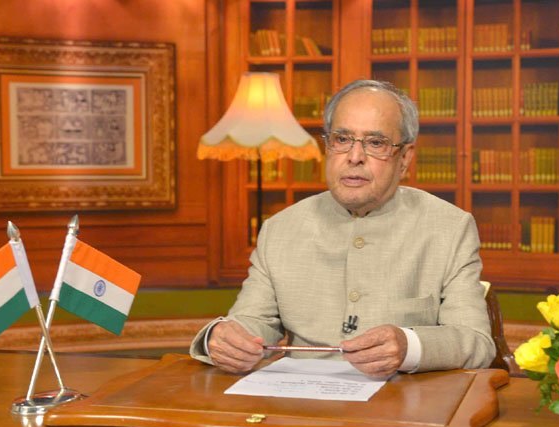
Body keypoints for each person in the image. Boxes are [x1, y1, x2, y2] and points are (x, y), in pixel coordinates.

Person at [190, 79, 495, 377]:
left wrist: (409, 346)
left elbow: (476, 342)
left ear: (404, 159)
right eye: (342, 139)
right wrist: (221, 337)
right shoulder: (280, 229)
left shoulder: (450, 227)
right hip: (304, 411)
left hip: (401, 409)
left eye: (376, 143)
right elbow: (250, 322)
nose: (354, 157)